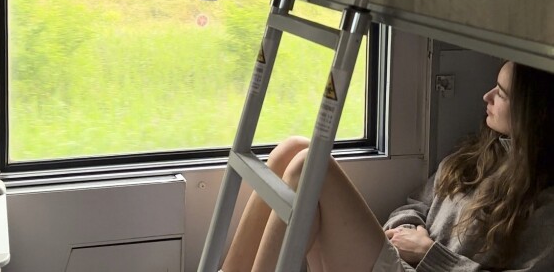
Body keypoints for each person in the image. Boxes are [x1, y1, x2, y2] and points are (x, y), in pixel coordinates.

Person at [219, 61, 554, 272]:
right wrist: (405, 231)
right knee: (294, 147)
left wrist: (428, 252)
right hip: (404, 261)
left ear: (532, 112)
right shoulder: (480, 154)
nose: (486, 96)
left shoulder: (546, 204)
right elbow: (416, 205)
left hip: (424, 266)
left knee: (310, 164)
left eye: (503, 94)